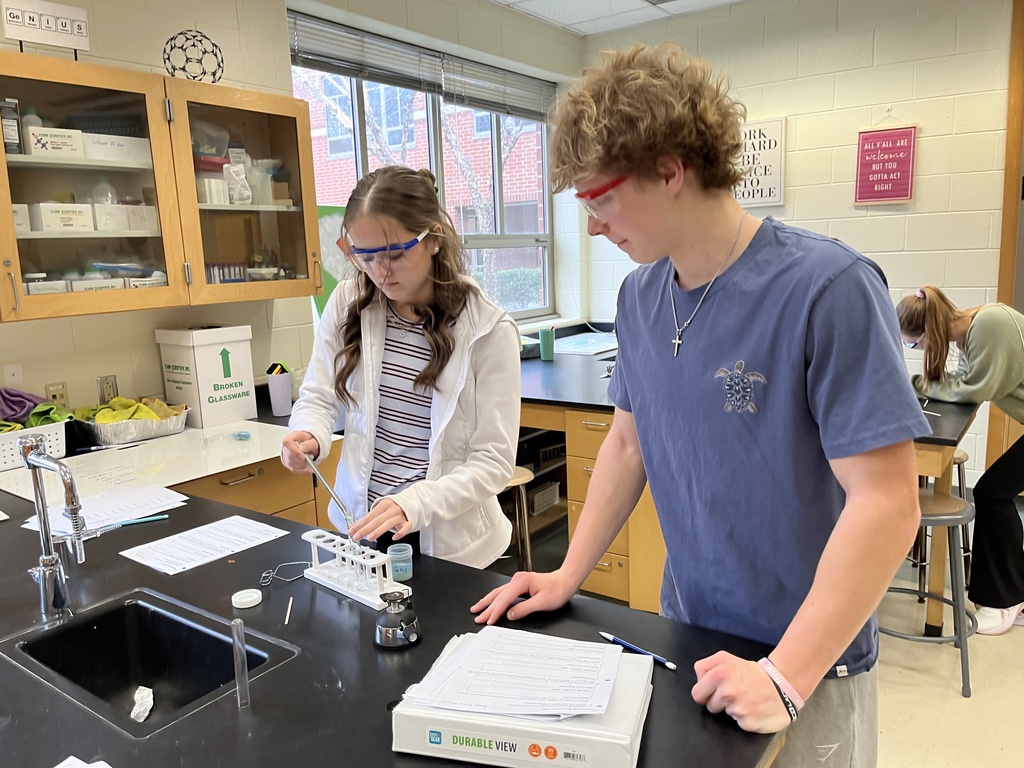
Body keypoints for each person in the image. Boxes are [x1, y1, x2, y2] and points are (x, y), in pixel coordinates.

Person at [471, 44, 928, 766]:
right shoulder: (639, 297)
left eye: (600, 200)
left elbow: (889, 503)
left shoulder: (827, 287)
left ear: (671, 171)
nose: (591, 226)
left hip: (806, 657)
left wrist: (785, 674)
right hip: (686, 638)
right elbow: (628, 444)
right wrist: (568, 575)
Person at [282, 165, 520, 568]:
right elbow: (318, 397)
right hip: (362, 533)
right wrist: (309, 434)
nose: (379, 272)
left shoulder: (488, 330)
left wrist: (414, 503)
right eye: (364, 255)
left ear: (434, 239)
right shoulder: (348, 303)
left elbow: (494, 462)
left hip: (451, 552)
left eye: (394, 254)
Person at [896, 285, 1024, 635]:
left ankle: (1005, 601)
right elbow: (964, 380)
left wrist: (916, 384)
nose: (915, 350)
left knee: (991, 495)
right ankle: (1012, 591)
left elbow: (974, 388)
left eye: (912, 344)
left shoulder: (989, 325)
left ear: (928, 332)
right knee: (993, 493)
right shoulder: (973, 331)